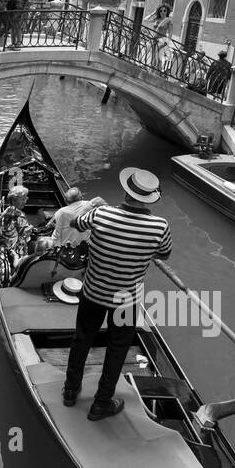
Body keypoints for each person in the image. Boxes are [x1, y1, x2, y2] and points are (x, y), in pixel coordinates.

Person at [63, 168, 172, 422]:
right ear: (148, 199)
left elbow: (75, 223)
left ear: (126, 191)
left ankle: (70, 390)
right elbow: (163, 254)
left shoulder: (101, 213)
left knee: (82, 339)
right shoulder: (159, 226)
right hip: (127, 300)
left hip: (92, 292)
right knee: (117, 349)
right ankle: (101, 403)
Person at [0, 184, 34, 264]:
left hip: (7, 242)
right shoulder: (19, 215)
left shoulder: (8, 210)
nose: (25, 201)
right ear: (14, 200)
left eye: (26, 198)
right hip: (17, 245)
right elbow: (24, 232)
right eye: (22, 199)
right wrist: (31, 227)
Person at [144, 2, 174, 71]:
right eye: (161, 10)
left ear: (167, 12)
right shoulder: (157, 19)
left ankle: (156, 71)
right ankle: (154, 70)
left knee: (158, 56)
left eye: (164, 10)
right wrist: (153, 13)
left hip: (161, 40)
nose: (162, 12)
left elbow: (170, 32)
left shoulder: (169, 20)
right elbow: (145, 20)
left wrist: (167, 41)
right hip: (154, 39)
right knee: (153, 55)